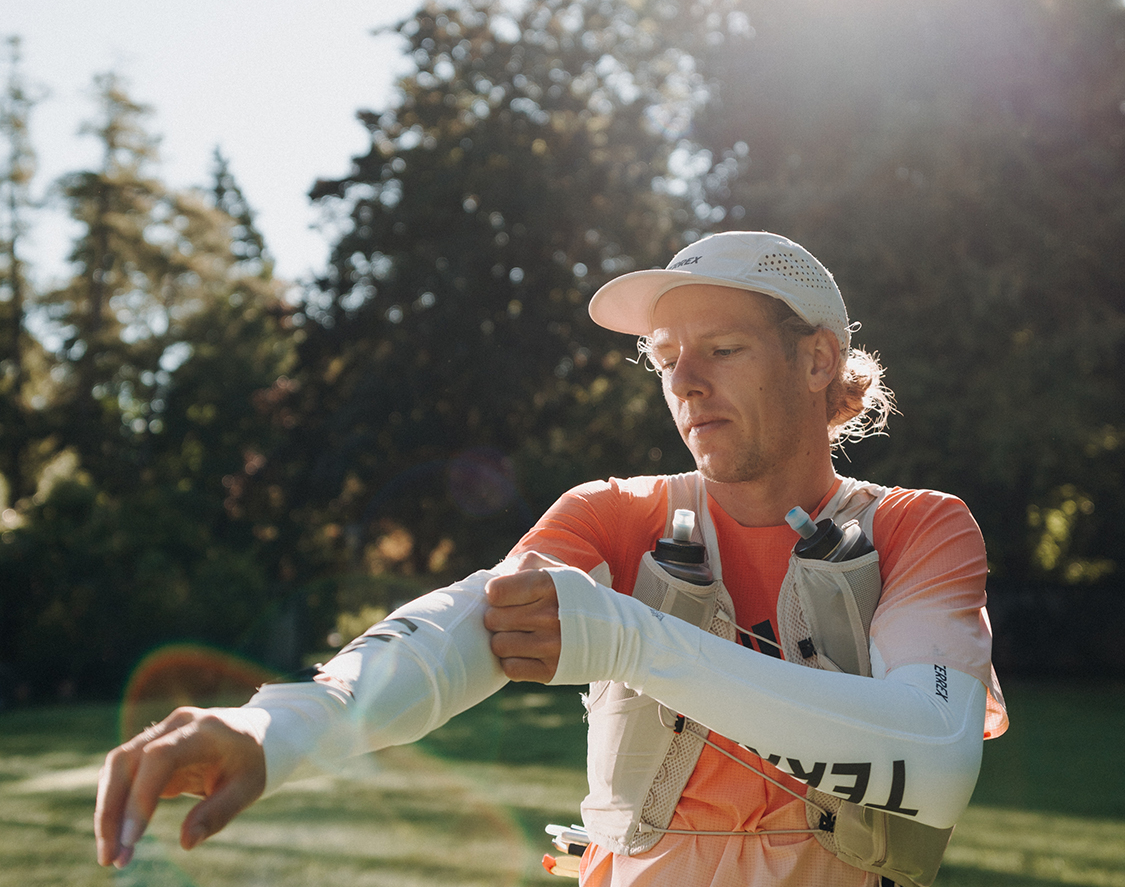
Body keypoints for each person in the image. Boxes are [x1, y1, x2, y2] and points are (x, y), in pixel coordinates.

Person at [95, 231, 1007, 885]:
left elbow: (929, 761)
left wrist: (632, 642)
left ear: (818, 362)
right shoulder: (611, 513)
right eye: (663, 359)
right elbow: (467, 627)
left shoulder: (918, 529)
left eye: (721, 351)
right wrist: (280, 727)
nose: (684, 384)